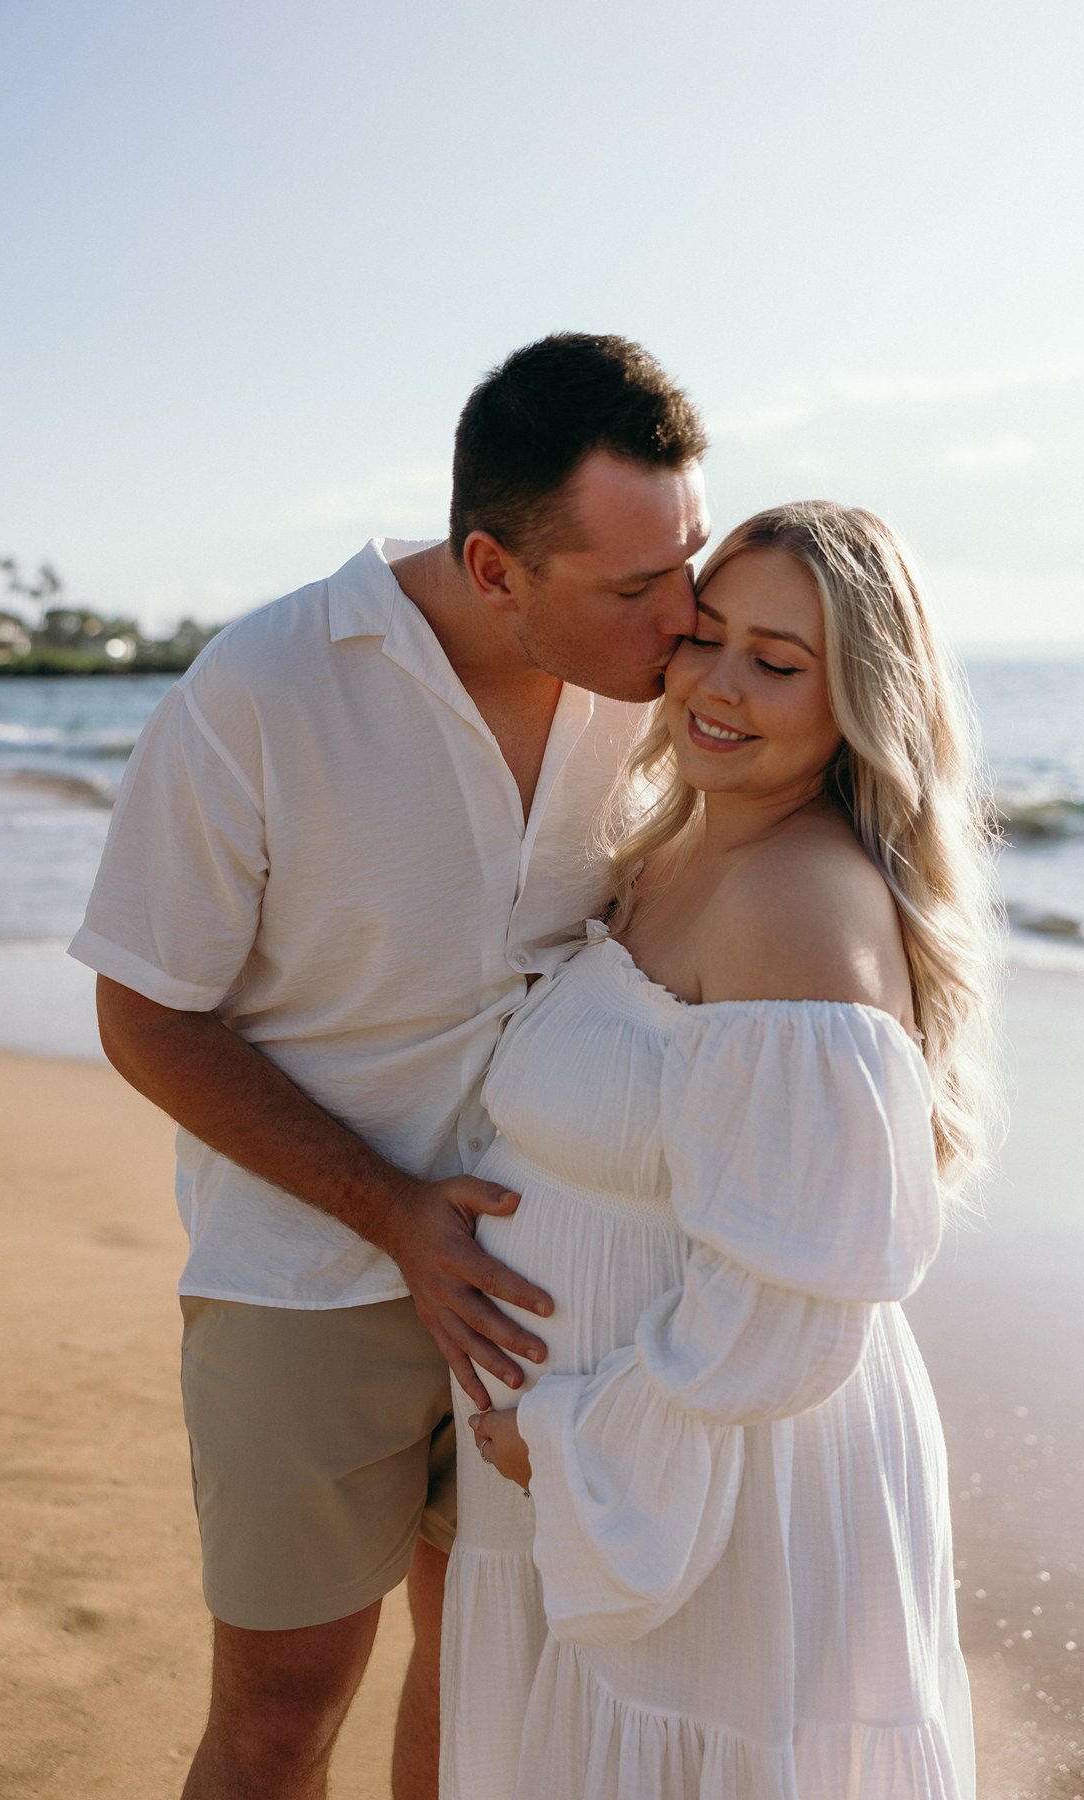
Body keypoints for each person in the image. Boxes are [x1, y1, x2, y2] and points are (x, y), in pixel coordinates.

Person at [67, 332, 710, 1800]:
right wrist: (397, 1215)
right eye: (632, 588)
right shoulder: (261, 691)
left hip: (564, 1289)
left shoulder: (667, 688)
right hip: (306, 1279)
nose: (683, 618)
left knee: (485, 1691)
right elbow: (145, 1015)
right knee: (284, 1714)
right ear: (494, 571)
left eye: (689, 558)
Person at [446, 501, 1002, 1799]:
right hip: (629, 1480)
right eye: (705, 637)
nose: (720, 684)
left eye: (780, 661)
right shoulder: (682, 841)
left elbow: (791, 1306)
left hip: (711, 1492)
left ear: (863, 697)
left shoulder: (800, 904)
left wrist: (572, 1440)